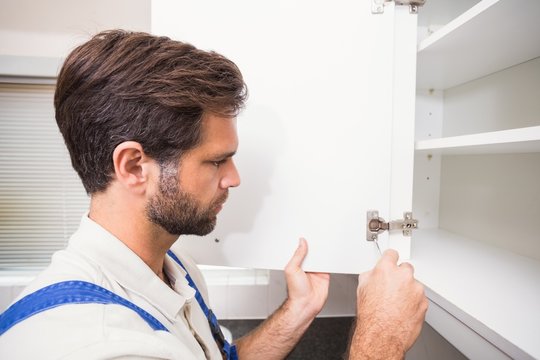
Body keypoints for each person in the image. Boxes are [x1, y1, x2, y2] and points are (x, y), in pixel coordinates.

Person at [0, 30, 427, 359]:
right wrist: (381, 338)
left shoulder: (174, 265)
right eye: (216, 161)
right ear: (133, 167)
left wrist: (297, 309)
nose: (234, 178)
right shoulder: (98, 343)